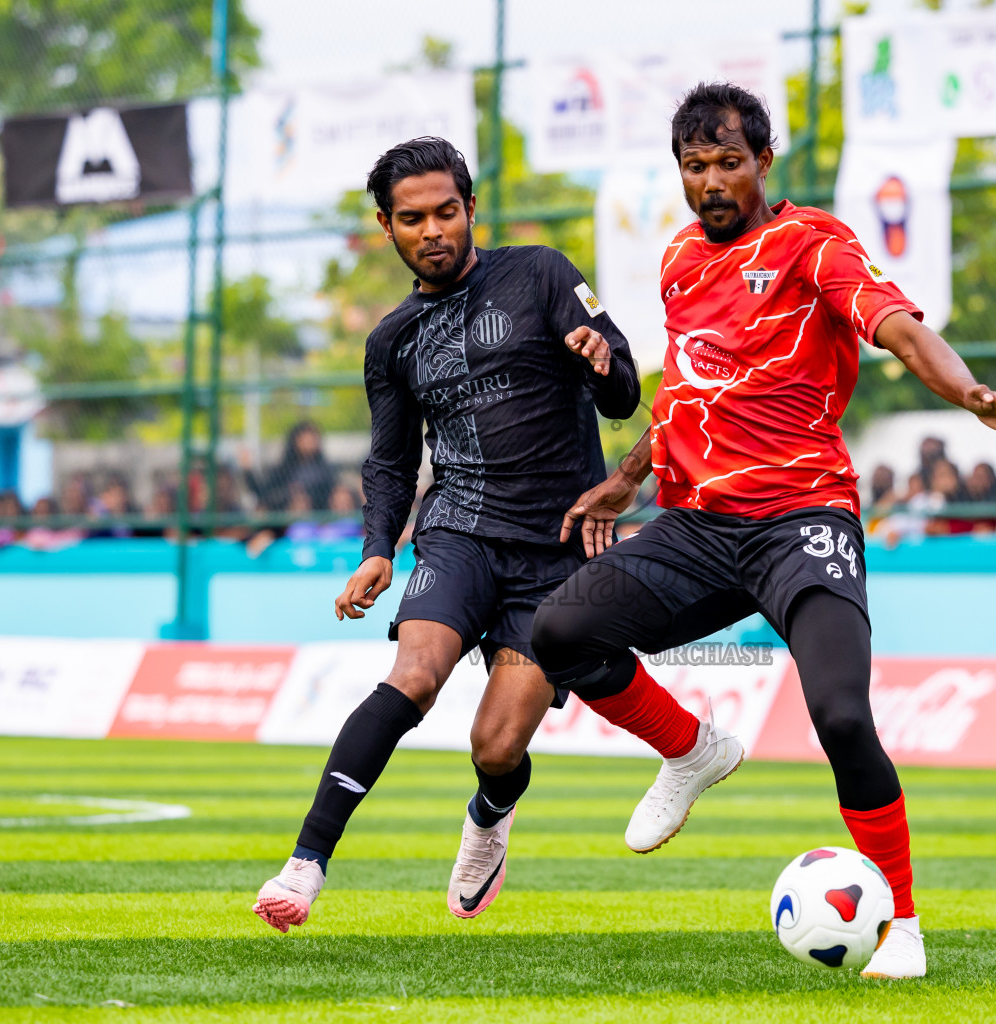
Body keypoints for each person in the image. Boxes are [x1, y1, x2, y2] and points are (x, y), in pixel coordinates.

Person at [529, 83, 996, 980]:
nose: (713, 181)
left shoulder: (814, 244)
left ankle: (904, 927)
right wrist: (625, 478)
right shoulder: (680, 258)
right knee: (561, 630)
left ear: (764, 162)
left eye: (729, 162)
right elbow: (688, 392)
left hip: (802, 520)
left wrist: (972, 394)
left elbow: (904, 333)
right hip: (696, 524)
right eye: (696, 166)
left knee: (840, 714)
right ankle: (691, 751)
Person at [253, 136, 679, 932]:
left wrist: (600, 358)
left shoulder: (544, 273)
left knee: (496, 745)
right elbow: (389, 461)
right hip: (457, 535)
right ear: (387, 226)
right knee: (415, 674)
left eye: (447, 212)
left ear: (471, 209)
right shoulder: (391, 340)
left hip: (554, 551)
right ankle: (305, 863)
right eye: (412, 219)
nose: (433, 230)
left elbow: (623, 395)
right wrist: (379, 546)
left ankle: (490, 814)